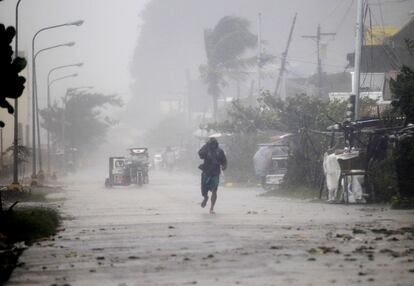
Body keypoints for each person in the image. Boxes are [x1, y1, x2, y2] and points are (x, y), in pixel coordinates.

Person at [198, 137, 227, 214]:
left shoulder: (220, 151)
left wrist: (224, 166)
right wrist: (206, 146)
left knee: (214, 190)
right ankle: (205, 197)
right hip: (206, 172)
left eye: (214, 143)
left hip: (215, 173)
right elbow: (200, 154)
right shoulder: (206, 149)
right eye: (211, 143)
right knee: (204, 189)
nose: (213, 145)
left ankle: (212, 208)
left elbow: (224, 161)